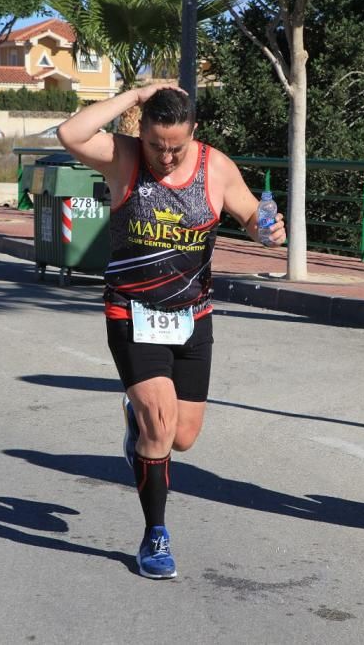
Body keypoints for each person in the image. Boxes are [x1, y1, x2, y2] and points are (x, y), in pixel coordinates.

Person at [57, 85, 287, 580]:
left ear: (193, 134)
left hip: (192, 316)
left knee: (182, 437)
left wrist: (265, 228)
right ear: (142, 131)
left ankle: (135, 425)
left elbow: (250, 212)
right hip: (131, 311)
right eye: (156, 143)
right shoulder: (122, 157)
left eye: (175, 147)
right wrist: (136, 93)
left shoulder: (215, 167)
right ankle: (155, 535)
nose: (164, 156)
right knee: (159, 425)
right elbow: (69, 132)